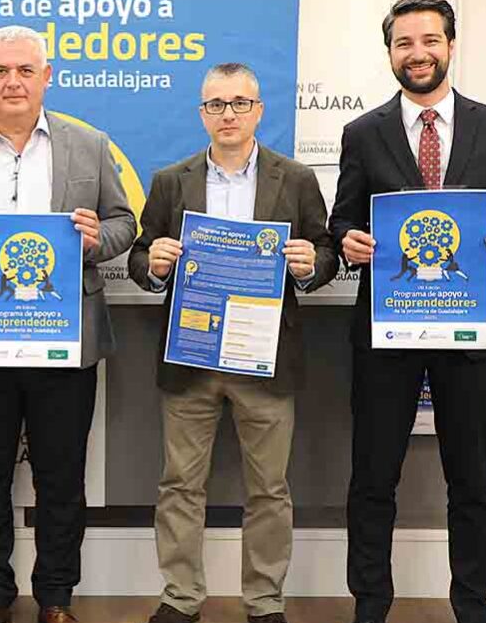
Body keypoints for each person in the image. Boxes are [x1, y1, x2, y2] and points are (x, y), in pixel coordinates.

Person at [328, 0, 486, 623]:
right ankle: (370, 605)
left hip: (473, 331)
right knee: (372, 480)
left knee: (472, 482)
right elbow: (343, 215)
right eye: (403, 44)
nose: (416, 53)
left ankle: (472, 605)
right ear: (389, 51)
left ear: (450, 44)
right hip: (385, 334)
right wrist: (347, 240)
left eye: (429, 41)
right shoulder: (361, 133)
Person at [0, 24, 135, 623]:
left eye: (25, 70)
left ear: (46, 78)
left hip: (65, 344)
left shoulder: (89, 145)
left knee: (62, 480)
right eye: (1, 71)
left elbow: (124, 224)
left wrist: (95, 240)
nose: (13, 81)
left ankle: (57, 597)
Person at [128, 63, 337, 623]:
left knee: (269, 489)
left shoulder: (294, 179)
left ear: (259, 110)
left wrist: (309, 265)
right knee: (179, 486)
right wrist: (154, 263)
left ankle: (265, 602)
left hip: (265, 358)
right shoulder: (171, 179)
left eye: (239, 103)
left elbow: (326, 251)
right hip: (190, 357)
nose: (228, 114)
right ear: (201, 113)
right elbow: (139, 255)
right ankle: (180, 598)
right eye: (216, 104)